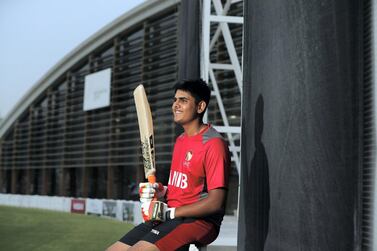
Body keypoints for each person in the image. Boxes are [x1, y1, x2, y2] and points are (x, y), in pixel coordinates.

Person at [106, 79, 230, 251]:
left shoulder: (214, 144)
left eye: (183, 100)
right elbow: (184, 185)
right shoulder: (181, 140)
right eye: (175, 100)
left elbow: (215, 202)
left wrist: (171, 212)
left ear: (200, 107)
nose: (176, 105)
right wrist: (161, 191)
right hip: (171, 216)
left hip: (200, 221)